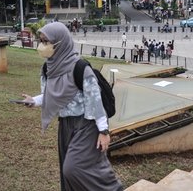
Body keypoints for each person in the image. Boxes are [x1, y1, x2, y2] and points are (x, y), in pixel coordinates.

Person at [20, 22, 123, 191]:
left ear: (61, 42)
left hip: (87, 125)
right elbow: (51, 95)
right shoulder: (48, 68)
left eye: (47, 42)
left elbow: (95, 102)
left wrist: (104, 132)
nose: (42, 46)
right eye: (41, 41)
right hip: (66, 126)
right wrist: (35, 101)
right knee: (69, 171)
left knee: (72, 169)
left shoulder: (80, 68)